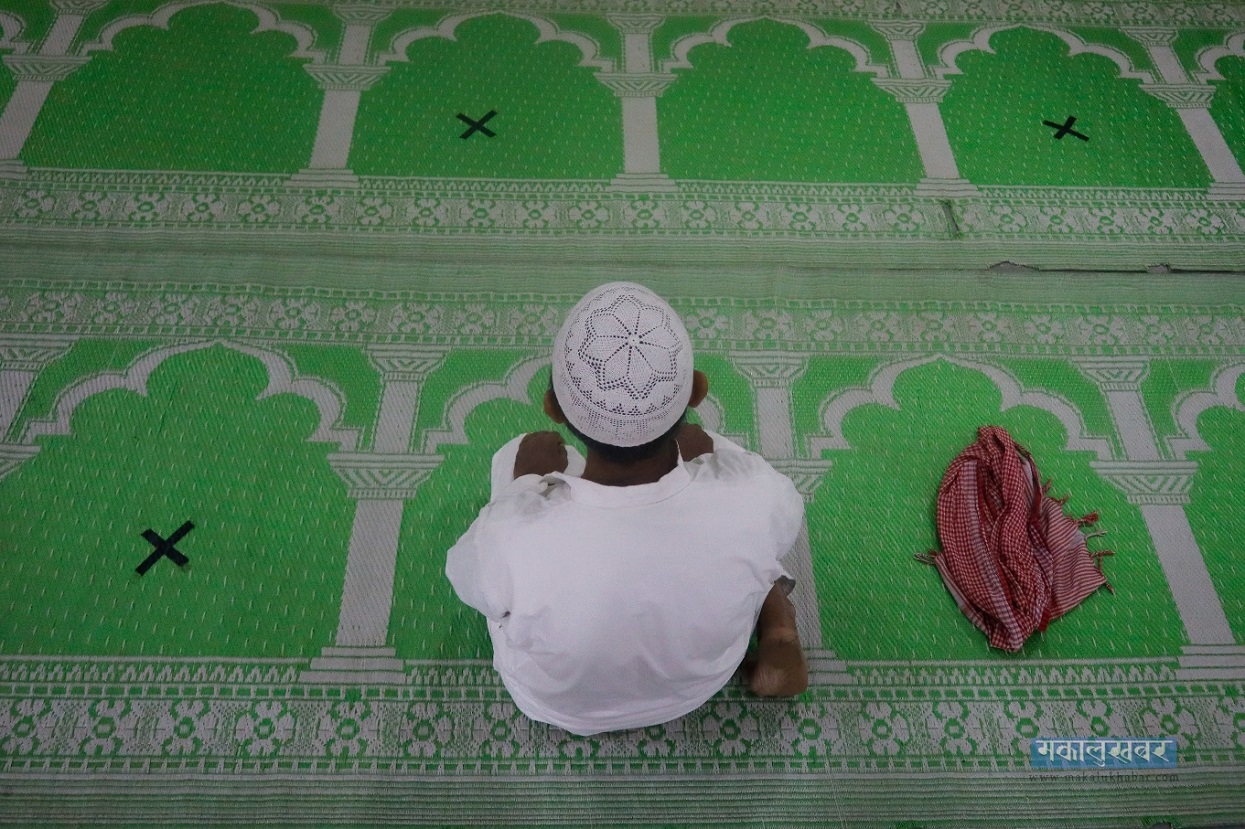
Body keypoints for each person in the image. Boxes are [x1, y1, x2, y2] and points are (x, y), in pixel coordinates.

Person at [446, 281, 808, 736]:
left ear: (552, 407)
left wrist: (524, 485)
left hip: (559, 703)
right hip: (698, 683)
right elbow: (783, 517)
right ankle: (776, 626)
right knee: (751, 534)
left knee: (512, 456)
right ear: (696, 393)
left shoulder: (512, 534)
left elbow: (470, 585)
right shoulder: (755, 492)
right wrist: (708, 450)